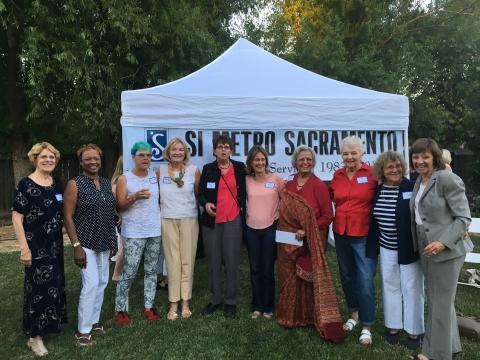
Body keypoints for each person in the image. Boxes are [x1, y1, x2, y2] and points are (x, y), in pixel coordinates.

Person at [409, 138, 473, 360]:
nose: (419, 161)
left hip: (447, 250)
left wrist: (442, 242)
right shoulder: (420, 180)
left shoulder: (446, 178)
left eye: (424, 156)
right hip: (427, 248)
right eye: (416, 156)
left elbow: (464, 218)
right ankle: (451, 347)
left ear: (434, 157)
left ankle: (434, 355)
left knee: (440, 304)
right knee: (440, 301)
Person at [277, 146, 344, 343]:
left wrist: (307, 230)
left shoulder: (319, 186)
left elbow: (327, 216)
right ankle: (289, 315)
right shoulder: (288, 185)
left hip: (310, 239)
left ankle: (307, 316)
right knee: (289, 276)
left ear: (313, 163)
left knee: (306, 277)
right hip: (288, 240)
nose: (305, 162)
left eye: (308, 159)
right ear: (295, 162)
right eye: (301, 159)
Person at [12, 142, 67, 356]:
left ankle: (48, 325)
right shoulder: (25, 185)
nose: (48, 160)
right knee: (36, 291)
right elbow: (17, 219)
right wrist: (24, 249)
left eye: (52, 157)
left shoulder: (56, 183)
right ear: (35, 159)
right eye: (44, 157)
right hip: (35, 246)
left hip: (54, 246)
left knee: (53, 284)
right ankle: (34, 337)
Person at [366, 151, 424, 350]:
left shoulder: (412, 187)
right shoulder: (378, 190)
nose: (395, 169)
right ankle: (393, 327)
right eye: (390, 167)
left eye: (398, 166)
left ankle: (414, 330)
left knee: (412, 289)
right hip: (386, 247)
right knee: (390, 286)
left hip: (410, 248)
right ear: (382, 170)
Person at [64, 144, 117, 346]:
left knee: (102, 283)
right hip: (85, 242)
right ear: (81, 162)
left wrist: (113, 239)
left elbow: (110, 212)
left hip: (105, 240)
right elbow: (67, 217)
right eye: (88, 159)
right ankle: (82, 331)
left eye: (96, 158)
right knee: (91, 284)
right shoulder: (74, 184)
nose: (93, 162)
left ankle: (94, 321)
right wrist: (76, 245)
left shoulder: (104, 183)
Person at [329, 136, 377, 345]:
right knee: (347, 277)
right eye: (345, 153)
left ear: (362, 153)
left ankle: (367, 325)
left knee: (365, 280)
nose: (349, 157)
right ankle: (354, 315)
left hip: (364, 234)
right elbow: (331, 198)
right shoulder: (337, 175)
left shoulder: (373, 175)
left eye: (353, 152)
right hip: (341, 232)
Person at [198, 135, 246, 318]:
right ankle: (216, 299)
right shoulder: (208, 169)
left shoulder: (240, 168)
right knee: (214, 262)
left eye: (227, 147)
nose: (224, 150)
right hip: (212, 222)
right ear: (214, 151)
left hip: (233, 219)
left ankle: (231, 301)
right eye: (220, 147)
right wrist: (206, 204)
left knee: (232, 261)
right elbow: (200, 193)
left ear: (231, 150)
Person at [114, 141, 162, 324]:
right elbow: (119, 206)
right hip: (133, 232)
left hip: (154, 230)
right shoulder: (125, 179)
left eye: (149, 155)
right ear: (133, 157)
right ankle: (119, 309)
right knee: (130, 271)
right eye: (142, 155)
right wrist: (135, 196)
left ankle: (149, 307)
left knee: (151, 270)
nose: (146, 158)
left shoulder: (154, 175)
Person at [158, 138, 200, 320]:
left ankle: (185, 303)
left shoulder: (193, 171)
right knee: (172, 261)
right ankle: (173, 303)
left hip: (189, 219)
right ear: (168, 152)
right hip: (167, 219)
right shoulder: (159, 171)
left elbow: (198, 195)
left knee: (187, 261)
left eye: (180, 150)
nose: (177, 152)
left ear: (185, 153)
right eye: (174, 149)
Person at [245, 146, 284, 319]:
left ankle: (268, 306)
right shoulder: (246, 180)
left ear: (266, 161)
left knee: (267, 269)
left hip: (271, 229)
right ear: (251, 163)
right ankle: (257, 305)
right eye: (256, 160)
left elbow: (285, 202)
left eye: (262, 159)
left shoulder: (276, 179)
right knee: (255, 269)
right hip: (251, 229)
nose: (260, 163)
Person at [111, 156, 124, 282]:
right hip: (121, 218)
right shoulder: (118, 180)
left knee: (122, 245)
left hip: (121, 217)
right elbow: (115, 203)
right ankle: (116, 273)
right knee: (123, 246)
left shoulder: (118, 178)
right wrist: (120, 217)